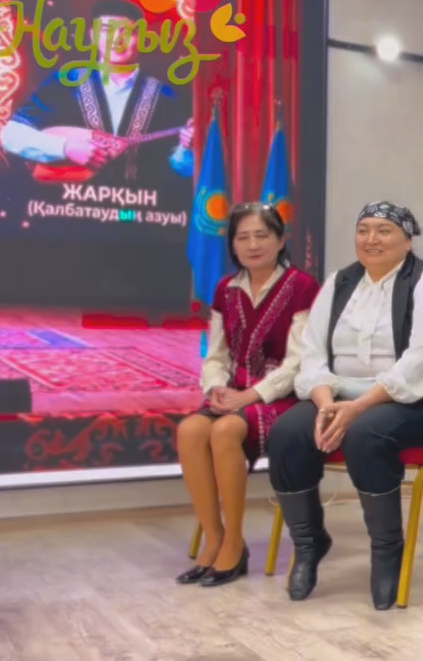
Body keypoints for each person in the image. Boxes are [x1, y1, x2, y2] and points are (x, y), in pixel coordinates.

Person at [267, 202, 423, 611]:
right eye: (363, 230)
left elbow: (419, 365)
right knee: (287, 433)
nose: (371, 239)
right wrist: (325, 403)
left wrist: (358, 407)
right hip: (338, 395)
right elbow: (312, 353)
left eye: (384, 230)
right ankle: (308, 544)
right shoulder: (340, 282)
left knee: (368, 431)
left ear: (407, 240)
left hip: (421, 401)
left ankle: (386, 551)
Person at [175, 203, 319, 587]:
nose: (253, 245)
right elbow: (216, 354)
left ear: (280, 240)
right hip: (235, 393)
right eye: (243, 237)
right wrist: (216, 388)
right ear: (233, 245)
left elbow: (298, 364)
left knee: (225, 431)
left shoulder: (303, 287)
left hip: (282, 397)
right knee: (190, 430)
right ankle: (214, 537)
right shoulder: (226, 288)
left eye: (262, 235)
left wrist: (250, 396)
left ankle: (234, 544)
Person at [0, 0, 196, 182]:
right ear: (93, 36)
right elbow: (11, 135)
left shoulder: (166, 95)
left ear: (142, 37)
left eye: (128, 32)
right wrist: (65, 148)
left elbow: (181, 169)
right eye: (107, 31)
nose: (117, 40)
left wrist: (187, 148)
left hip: (138, 203)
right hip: (68, 202)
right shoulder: (67, 81)